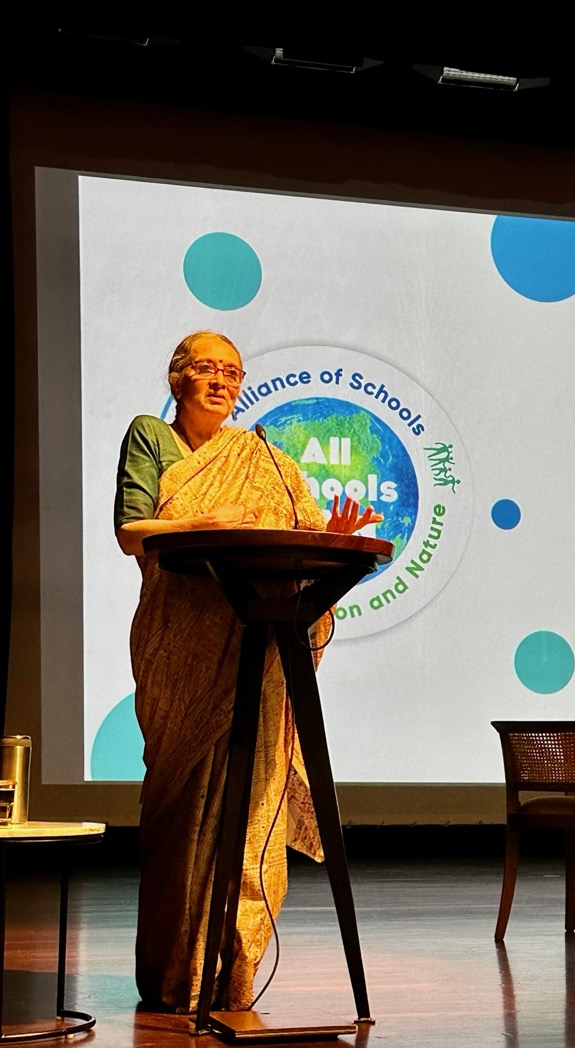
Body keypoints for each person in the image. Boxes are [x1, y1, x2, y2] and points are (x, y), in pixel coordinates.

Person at [115, 331, 381, 1013]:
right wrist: (207, 520)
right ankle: (176, 974)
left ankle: (232, 970)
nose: (220, 381)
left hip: (252, 642)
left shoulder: (258, 454)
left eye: (231, 372)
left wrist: (329, 541)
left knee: (254, 795)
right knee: (183, 807)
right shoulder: (152, 436)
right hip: (181, 641)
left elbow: (292, 528)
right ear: (177, 379)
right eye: (205, 368)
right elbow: (130, 534)